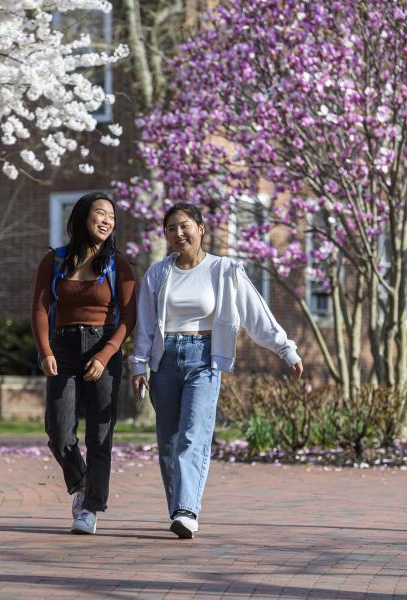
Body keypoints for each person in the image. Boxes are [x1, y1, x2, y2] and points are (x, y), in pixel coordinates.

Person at [130, 203, 303, 539]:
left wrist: (284, 348)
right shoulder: (158, 273)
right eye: (170, 229)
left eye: (184, 226)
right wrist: (138, 364)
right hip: (164, 362)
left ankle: (186, 510)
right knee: (168, 441)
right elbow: (147, 326)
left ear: (201, 227)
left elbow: (256, 313)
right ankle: (179, 506)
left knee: (193, 434)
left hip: (204, 359)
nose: (178, 234)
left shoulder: (224, 269)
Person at [31, 192, 137, 535]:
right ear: (81, 218)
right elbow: (39, 308)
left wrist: (105, 356)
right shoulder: (55, 260)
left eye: (111, 216)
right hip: (62, 346)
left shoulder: (118, 264)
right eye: (100, 213)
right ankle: (82, 483)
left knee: (100, 434)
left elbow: (129, 318)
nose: (106, 220)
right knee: (59, 432)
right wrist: (46, 350)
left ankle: (91, 508)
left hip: (103, 344)